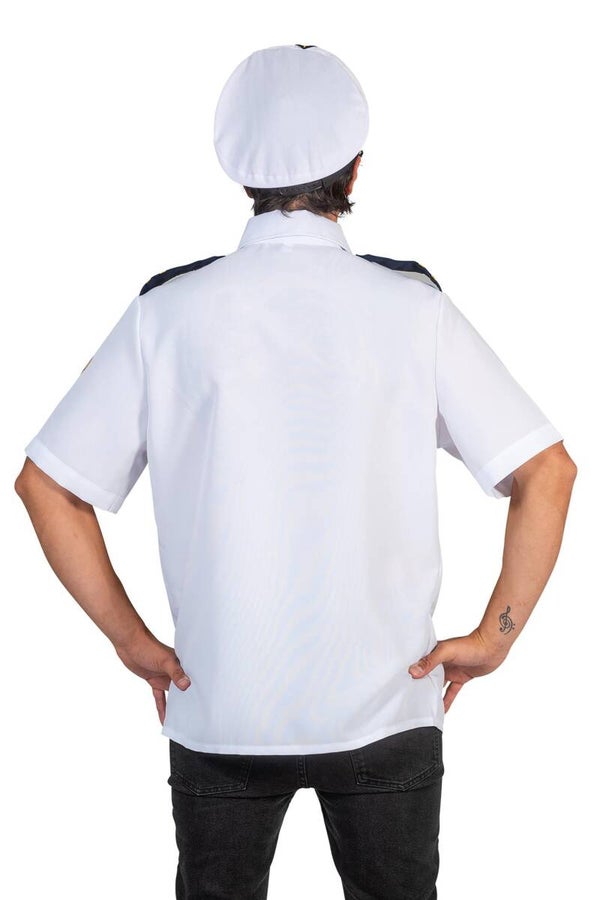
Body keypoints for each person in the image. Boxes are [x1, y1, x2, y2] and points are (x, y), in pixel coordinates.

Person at [15, 43, 576, 900]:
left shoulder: (167, 313)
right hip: (389, 706)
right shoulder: (412, 307)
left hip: (222, 709)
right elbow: (547, 470)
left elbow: (48, 483)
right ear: (355, 167)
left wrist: (132, 642)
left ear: (240, 171)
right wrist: (496, 637)